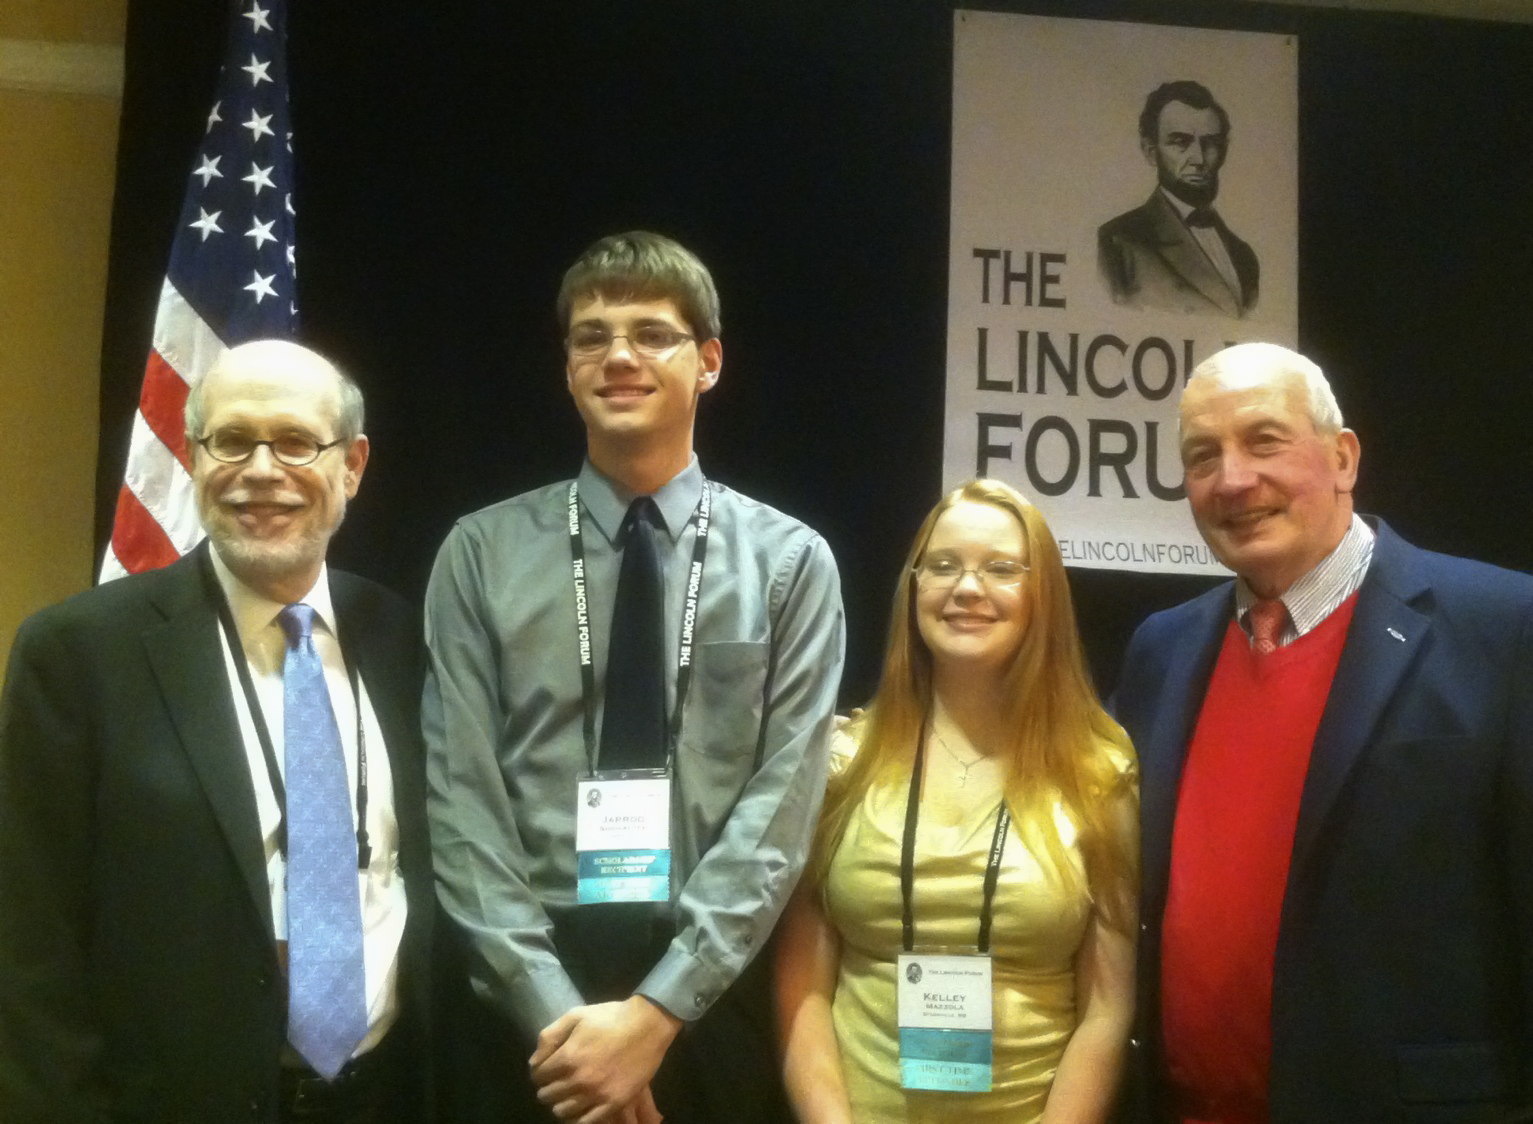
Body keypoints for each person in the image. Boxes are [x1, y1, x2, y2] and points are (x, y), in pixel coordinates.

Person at [424, 231, 845, 1124]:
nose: (618, 354)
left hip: (708, 1001)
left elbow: (783, 806)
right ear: (567, 366)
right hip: (526, 1013)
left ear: (709, 363)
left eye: (652, 333)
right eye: (591, 335)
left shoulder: (790, 563)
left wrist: (656, 1013)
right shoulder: (479, 553)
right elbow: (462, 805)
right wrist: (563, 1026)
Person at [0, 340, 435, 1123]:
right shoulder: (79, 653)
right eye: (231, 440)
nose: (261, 469)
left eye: (297, 441)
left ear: (352, 465)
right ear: (194, 459)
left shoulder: (400, 637)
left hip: (390, 1095)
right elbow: (29, 938)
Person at [1112, 342, 1533, 1123]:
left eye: (1263, 441)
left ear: (1342, 458)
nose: (1232, 479)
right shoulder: (1159, 651)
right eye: (1202, 456)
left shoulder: (1503, 631)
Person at [776, 479, 1138, 1123]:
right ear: (914, 586)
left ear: (1043, 595)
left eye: (1001, 568)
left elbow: (1107, 1011)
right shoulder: (841, 761)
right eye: (942, 566)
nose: (967, 588)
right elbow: (802, 988)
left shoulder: (1100, 770)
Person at [1097, 80, 1258, 318]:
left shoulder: (1243, 255)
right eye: (1181, 143)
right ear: (1151, 151)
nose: (1199, 159)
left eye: (1211, 143)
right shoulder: (1119, 241)